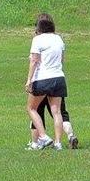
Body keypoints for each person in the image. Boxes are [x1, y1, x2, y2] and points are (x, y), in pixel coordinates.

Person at [26, 13, 69, 151]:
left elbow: (34, 60)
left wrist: (29, 80)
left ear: (38, 27)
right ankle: (58, 143)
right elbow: (62, 59)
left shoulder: (37, 40)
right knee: (56, 111)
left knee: (31, 108)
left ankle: (44, 136)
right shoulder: (58, 39)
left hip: (43, 78)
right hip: (59, 77)